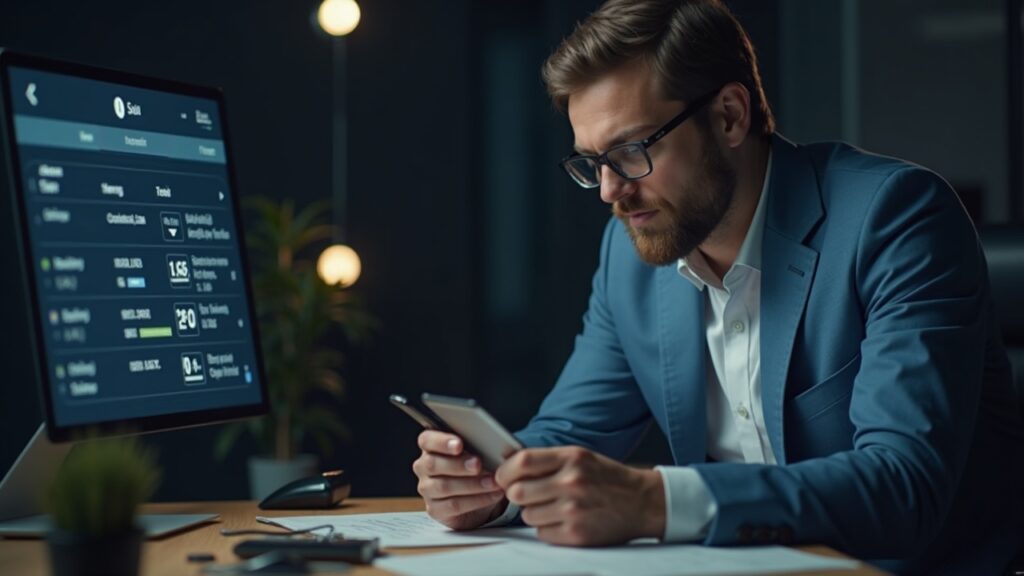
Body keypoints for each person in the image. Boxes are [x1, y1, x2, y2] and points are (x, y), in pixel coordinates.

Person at [411, 0, 1024, 573]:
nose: (609, 191)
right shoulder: (630, 259)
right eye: (592, 162)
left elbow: (902, 489)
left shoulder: (896, 219)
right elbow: (569, 435)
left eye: (630, 151)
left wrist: (656, 501)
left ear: (730, 115)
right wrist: (493, 485)